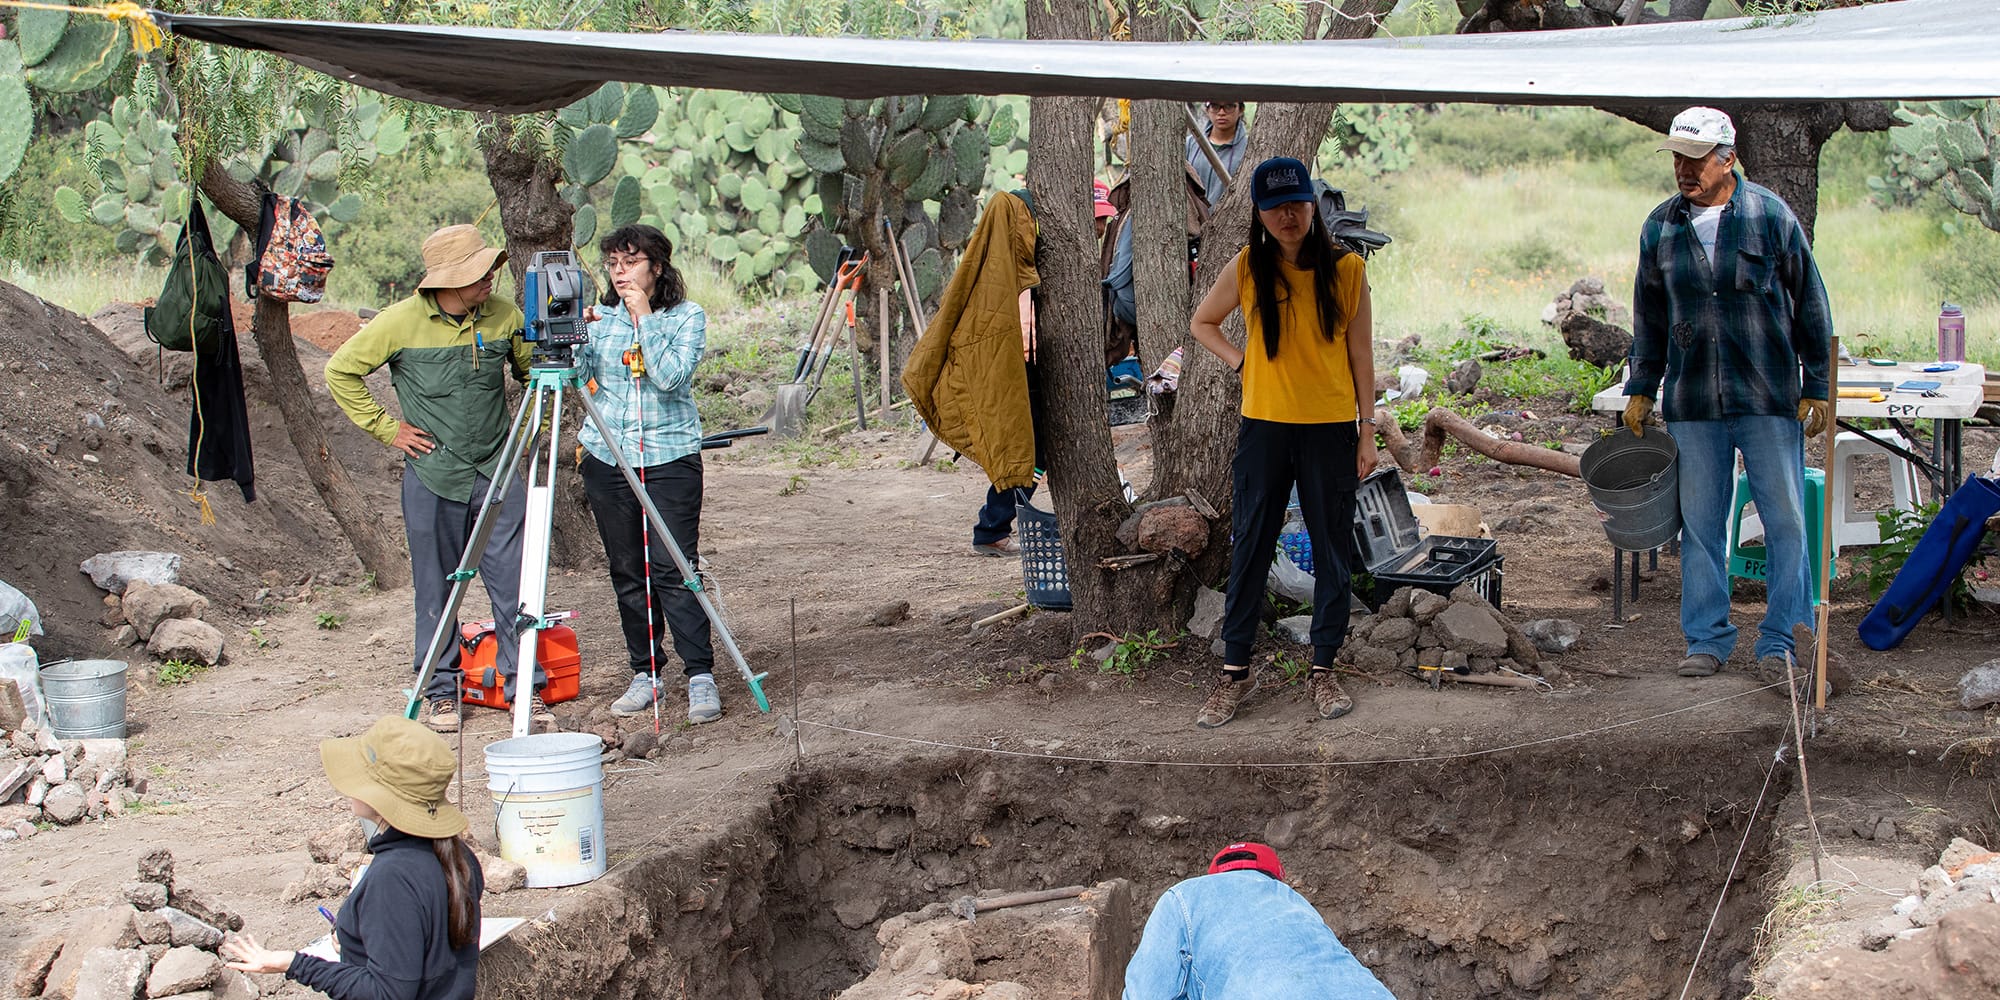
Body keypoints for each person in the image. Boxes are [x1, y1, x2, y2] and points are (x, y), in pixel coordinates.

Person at [1622, 107, 1832, 684]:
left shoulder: (1770, 215)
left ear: (1727, 159)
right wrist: (1642, 386)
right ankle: (1707, 638)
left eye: (1696, 160)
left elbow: (1810, 301)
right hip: (1694, 400)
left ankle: (1783, 641)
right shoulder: (1660, 227)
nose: (1684, 171)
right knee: (1701, 525)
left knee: (1785, 519)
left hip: (1766, 394)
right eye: (1677, 160)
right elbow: (1651, 316)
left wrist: (1818, 382)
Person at [326, 225, 546, 734]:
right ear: (447, 281)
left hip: (497, 469)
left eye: (489, 270)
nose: (490, 280)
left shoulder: (504, 315)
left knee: (515, 588)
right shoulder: (398, 322)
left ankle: (525, 692)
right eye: (478, 274)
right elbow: (340, 371)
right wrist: (387, 429)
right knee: (436, 590)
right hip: (433, 474)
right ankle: (442, 693)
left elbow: (531, 371)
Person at [1187, 157, 1377, 729]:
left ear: (1312, 203)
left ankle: (1323, 668)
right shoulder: (1248, 267)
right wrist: (1242, 361)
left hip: (1330, 431)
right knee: (1249, 548)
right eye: (1274, 207)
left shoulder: (1347, 271)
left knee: (1332, 554)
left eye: (1296, 202)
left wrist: (1368, 432)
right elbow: (1202, 323)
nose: (1287, 215)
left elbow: (1361, 355)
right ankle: (1234, 673)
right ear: (1260, 213)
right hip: (1264, 429)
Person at [220, 716, 485, 1000]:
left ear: (381, 800)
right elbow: (423, 948)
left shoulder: (392, 878)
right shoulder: (458, 856)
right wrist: (355, 940)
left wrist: (293, 963)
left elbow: (388, 993)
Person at [574, 224, 722, 724]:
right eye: (613, 263)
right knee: (627, 570)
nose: (620, 272)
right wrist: (570, 331)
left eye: (631, 262)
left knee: (675, 566)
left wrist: (643, 320)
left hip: (669, 458)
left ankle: (699, 672)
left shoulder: (686, 318)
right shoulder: (600, 321)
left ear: (656, 267)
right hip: (607, 455)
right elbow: (574, 376)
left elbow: (670, 377)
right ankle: (646, 671)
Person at [1122, 842, 1395, 999]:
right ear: (1276, 876)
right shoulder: (1297, 905)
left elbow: (1145, 993)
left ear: (1214, 875)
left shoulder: (1184, 896)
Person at [1185, 101, 1249, 208]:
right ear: (1207, 109)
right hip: (1193, 220)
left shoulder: (1249, 148)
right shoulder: (1190, 144)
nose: (1221, 112)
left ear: (1241, 110)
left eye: (1229, 106)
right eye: (1215, 106)